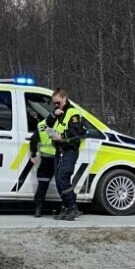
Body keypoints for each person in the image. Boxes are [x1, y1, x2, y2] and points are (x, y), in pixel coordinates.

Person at [49, 88, 87, 221]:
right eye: (53, 103)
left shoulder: (73, 112)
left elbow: (75, 130)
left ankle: (72, 207)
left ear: (64, 98)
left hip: (70, 150)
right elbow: (47, 123)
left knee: (64, 177)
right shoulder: (59, 113)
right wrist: (54, 114)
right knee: (59, 181)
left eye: (57, 103)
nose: (55, 105)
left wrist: (62, 136)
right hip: (59, 151)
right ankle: (66, 206)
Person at [29, 108, 57, 218]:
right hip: (59, 158)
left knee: (43, 185)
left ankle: (38, 209)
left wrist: (33, 154)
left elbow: (33, 140)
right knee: (63, 184)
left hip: (45, 158)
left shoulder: (41, 125)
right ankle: (69, 208)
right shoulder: (61, 124)